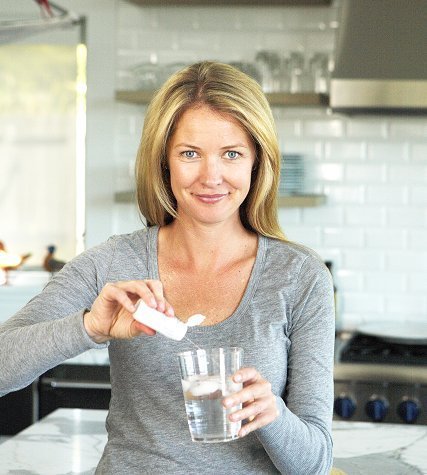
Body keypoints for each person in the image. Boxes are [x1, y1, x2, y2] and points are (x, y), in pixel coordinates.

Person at [0, 61, 335, 474]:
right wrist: (91, 327)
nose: (211, 176)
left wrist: (273, 416)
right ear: (164, 162)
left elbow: (314, 464)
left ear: (256, 162)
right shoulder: (113, 264)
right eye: (190, 154)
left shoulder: (300, 277)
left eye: (231, 154)